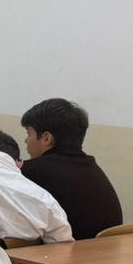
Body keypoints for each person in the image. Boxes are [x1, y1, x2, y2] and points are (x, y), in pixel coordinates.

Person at [18, 98, 124, 239]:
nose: (26, 140)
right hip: (110, 249)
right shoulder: (92, 167)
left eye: (28, 133)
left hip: (70, 251)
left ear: (46, 138)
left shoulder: (32, 171)